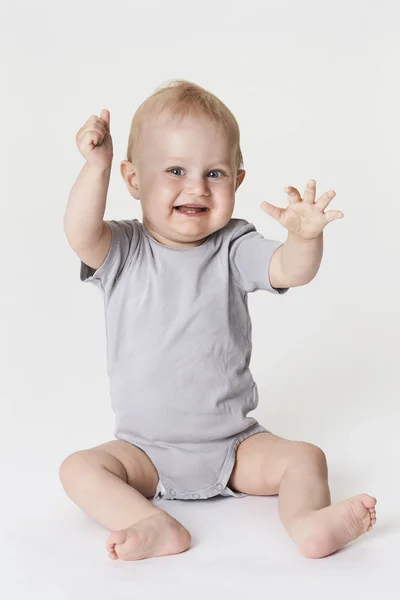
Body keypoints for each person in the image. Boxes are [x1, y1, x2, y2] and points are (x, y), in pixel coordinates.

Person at [60, 79, 376, 562]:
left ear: (237, 181)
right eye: (175, 170)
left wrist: (305, 238)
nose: (196, 187)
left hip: (235, 447)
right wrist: (94, 167)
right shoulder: (123, 249)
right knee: (79, 469)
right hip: (144, 452)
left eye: (214, 173)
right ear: (133, 179)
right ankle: (152, 523)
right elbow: (80, 232)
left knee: (306, 457)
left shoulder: (233, 246)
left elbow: (289, 269)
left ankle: (308, 523)